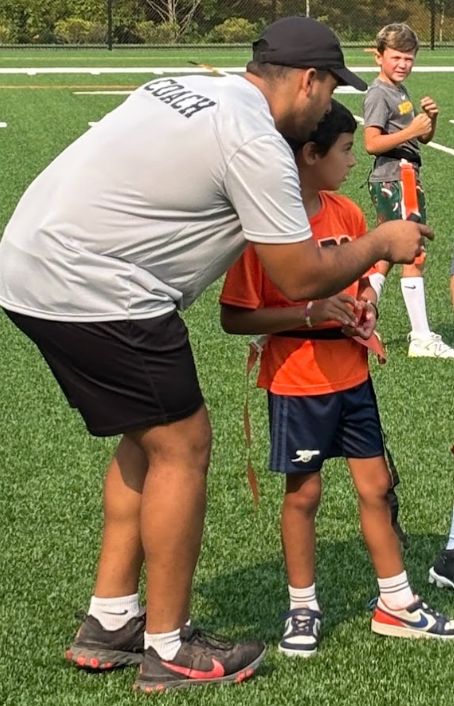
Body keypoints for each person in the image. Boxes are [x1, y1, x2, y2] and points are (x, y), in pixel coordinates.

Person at [0, 16, 431, 693]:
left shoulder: (196, 86)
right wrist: (381, 243)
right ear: (309, 81)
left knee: (146, 438)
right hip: (98, 285)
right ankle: (169, 647)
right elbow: (299, 275)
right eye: (329, 91)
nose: (328, 106)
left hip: (30, 261)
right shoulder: (257, 139)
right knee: (184, 444)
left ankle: (110, 620)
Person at [220, 101, 454, 656]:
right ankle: (302, 606)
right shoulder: (269, 229)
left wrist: (366, 301)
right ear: (310, 154)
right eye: (345, 150)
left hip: (352, 376)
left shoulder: (347, 213)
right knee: (304, 494)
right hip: (298, 383)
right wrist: (310, 314)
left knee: (377, 486)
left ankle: (396, 601)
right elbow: (234, 317)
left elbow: (364, 277)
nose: (352, 161)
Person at [363, 23, 454, 359]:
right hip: (395, 177)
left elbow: (421, 139)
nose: (403, 64)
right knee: (414, 253)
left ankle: (359, 315)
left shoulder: (399, 91)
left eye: (409, 59)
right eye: (396, 57)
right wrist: (411, 130)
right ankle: (421, 337)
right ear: (379, 56)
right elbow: (372, 143)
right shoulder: (378, 93)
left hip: (404, 175)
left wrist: (430, 120)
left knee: (388, 255)